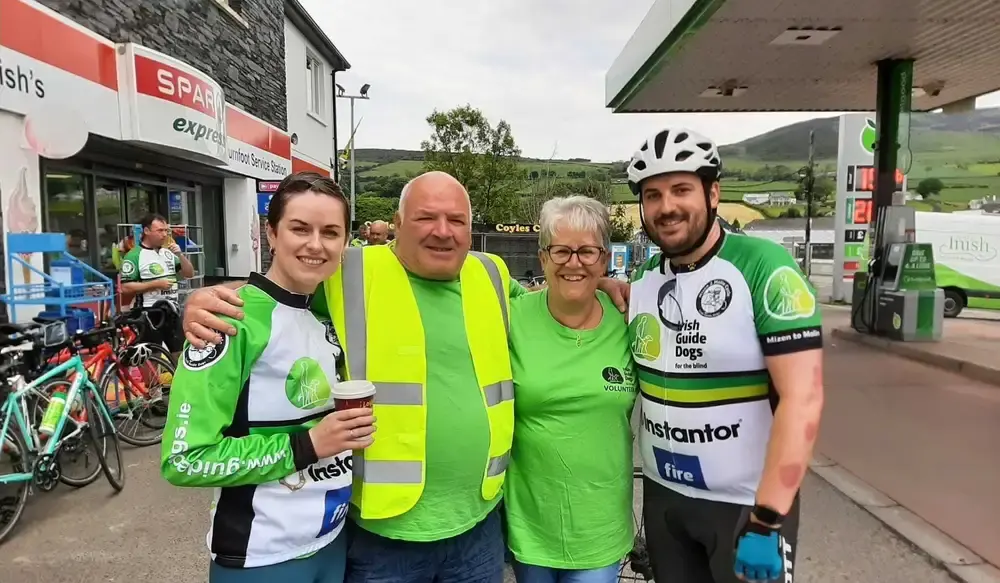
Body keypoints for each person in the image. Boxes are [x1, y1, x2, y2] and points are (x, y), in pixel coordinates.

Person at [180, 171, 630, 583]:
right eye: (426, 217)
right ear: (396, 223)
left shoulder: (491, 274)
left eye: (456, 219)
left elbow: (558, 294)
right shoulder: (349, 271)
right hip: (383, 535)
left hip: (478, 525)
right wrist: (213, 299)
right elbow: (284, 289)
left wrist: (604, 284)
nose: (442, 230)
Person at [620, 128, 825, 583]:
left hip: (745, 506)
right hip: (664, 500)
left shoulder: (764, 266)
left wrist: (769, 515)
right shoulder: (646, 278)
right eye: (652, 195)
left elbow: (803, 399)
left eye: (681, 189)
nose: (666, 206)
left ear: (713, 193)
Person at [160, 172, 377, 583]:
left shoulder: (332, 311)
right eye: (300, 229)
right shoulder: (228, 319)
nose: (316, 244)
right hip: (261, 559)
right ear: (271, 234)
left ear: (346, 243)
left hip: (332, 544)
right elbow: (184, 460)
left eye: (331, 232)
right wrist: (307, 445)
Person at [505, 196, 637, 583]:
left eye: (587, 252)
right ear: (543, 257)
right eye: (561, 251)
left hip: (600, 525)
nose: (574, 262)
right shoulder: (510, 317)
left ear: (604, 257)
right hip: (531, 521)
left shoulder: (630, 316)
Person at [120, 213, 195, 356]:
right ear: (147, 231)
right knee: (152, 356)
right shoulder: (135, 255)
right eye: (160, 231)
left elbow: (189, 273)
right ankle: (153, 379)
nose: (164, 234)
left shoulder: (168, 253)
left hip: (172, 311)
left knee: (180, 353)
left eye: (166, 230)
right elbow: (125, 287)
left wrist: (180, 255)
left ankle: (176, 378)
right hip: (149, 312)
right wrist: (155, 284)